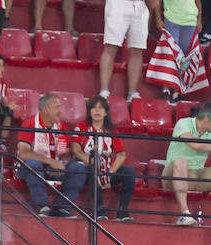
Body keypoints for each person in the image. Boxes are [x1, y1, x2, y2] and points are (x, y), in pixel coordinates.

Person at [163, 101, 211, 228]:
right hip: (174, 176)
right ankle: (184, 214)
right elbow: (195, 144)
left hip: (199, 177)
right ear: (206, 118)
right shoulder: (184, 123)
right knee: (181, 161)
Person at [64, 95, 137, 223]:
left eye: (100, 108)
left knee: (130, 171)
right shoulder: (81, 127)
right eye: (94, 108)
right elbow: (75, 149)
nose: (97, 111)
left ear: (105, 112)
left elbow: (121, 154)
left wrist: (111, 172)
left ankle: (123, 210)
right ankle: (99, 210)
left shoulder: (112, 130)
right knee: (92, 171)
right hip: (88, 168)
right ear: (89, 111)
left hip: (107, 170)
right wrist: (90, 160)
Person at [17, 94, 77, 217]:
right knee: (33, 163)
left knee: (79, 168)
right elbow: (23, 154)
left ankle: (62, 207)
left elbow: (65, 153)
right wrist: (50, 161)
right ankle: (43, 206)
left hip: (51, 167)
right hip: (29, 168)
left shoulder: (61, 127)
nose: (60, 111)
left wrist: (62, 164)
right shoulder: (29, 124)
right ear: (46, 109)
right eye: (57, 107)